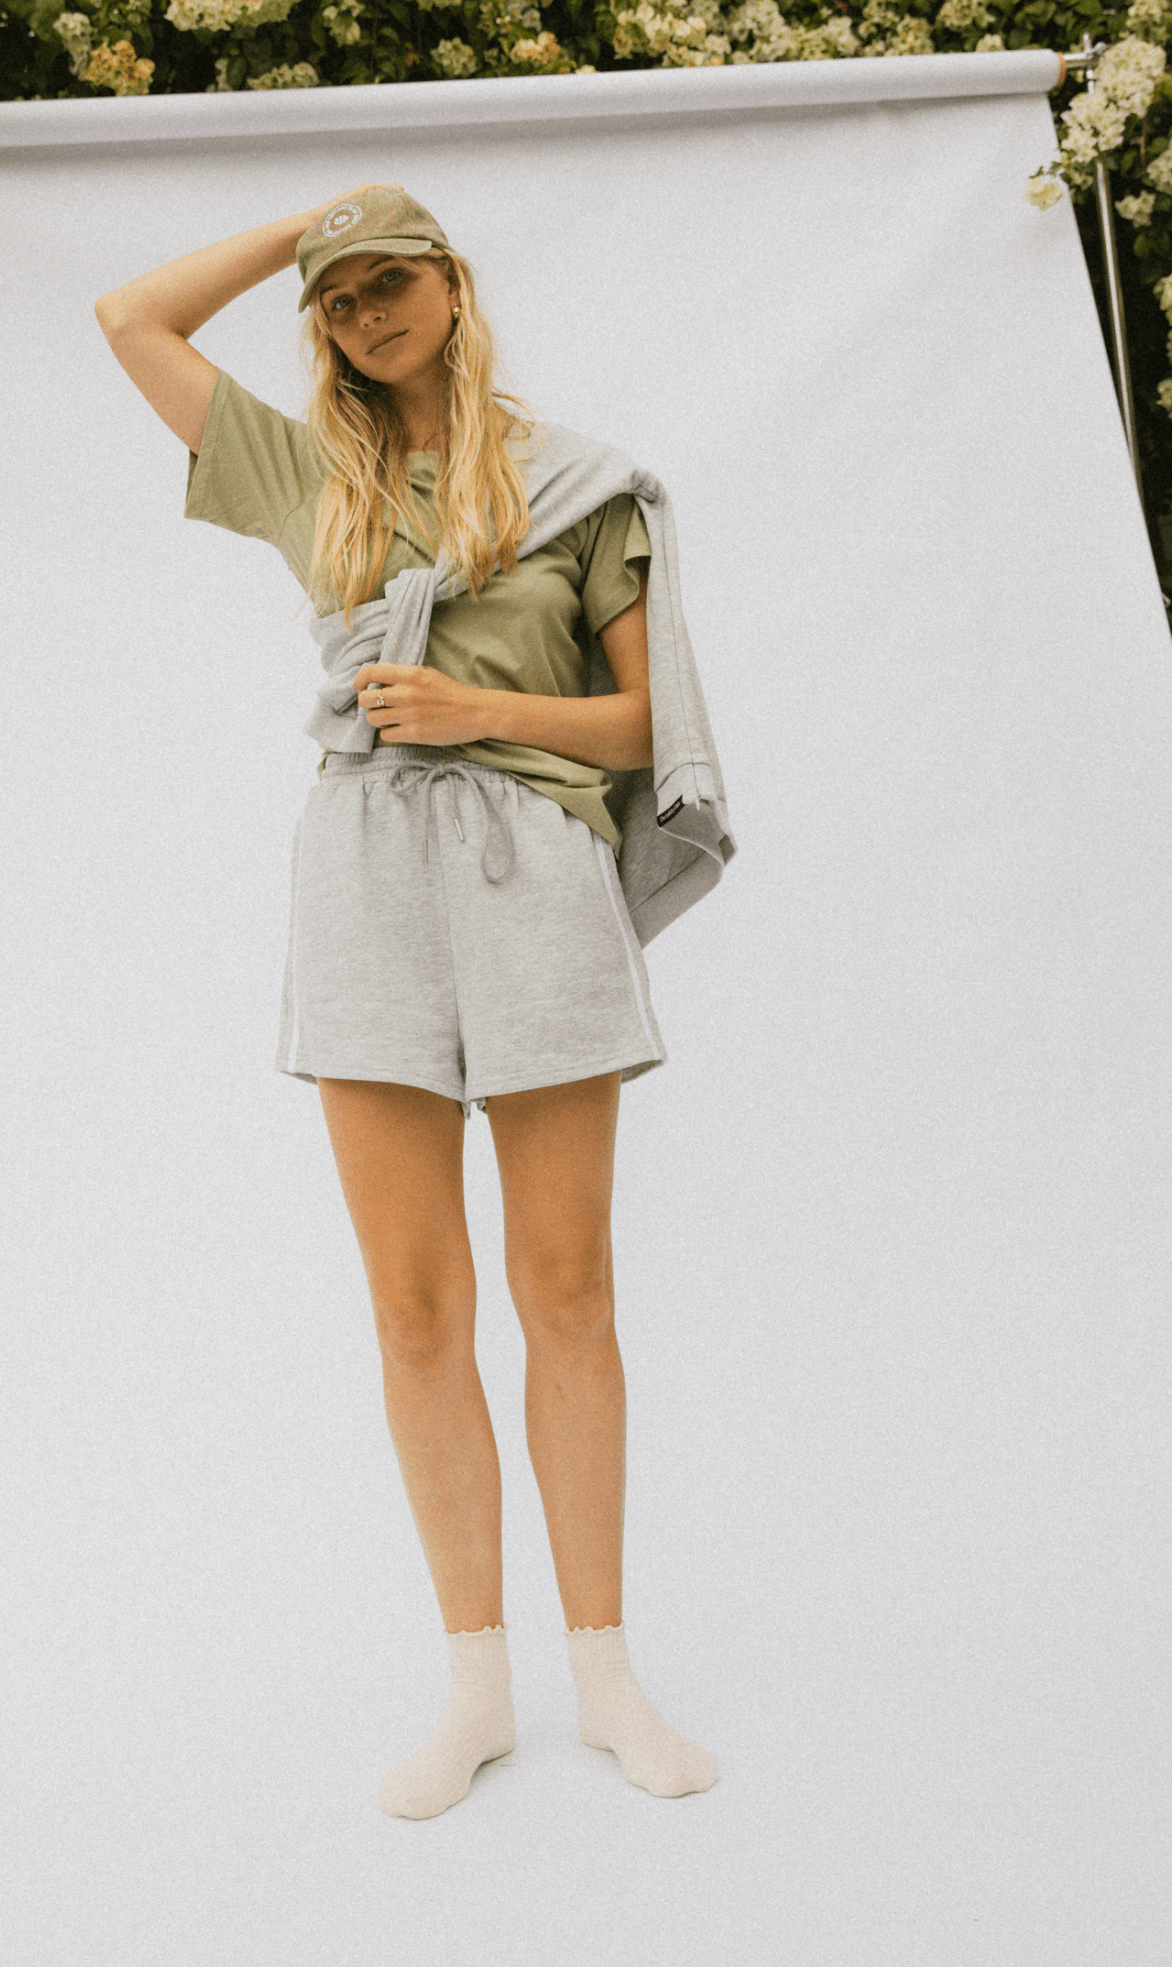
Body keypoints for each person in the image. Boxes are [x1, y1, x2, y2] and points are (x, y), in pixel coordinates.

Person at [94, 183, 720, 1821]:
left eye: (391, 280)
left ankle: (606, 1678)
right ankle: (475, 1690)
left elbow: (646, 726)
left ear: (450, 282)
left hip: (537, 875)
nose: (369, 313)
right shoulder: (307, 474)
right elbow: (130, 319)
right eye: (340, 297)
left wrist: (469, 707)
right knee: (415, 1308)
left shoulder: (583, 484)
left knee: (567, 1287)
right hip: (366, 872)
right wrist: (300, 224)